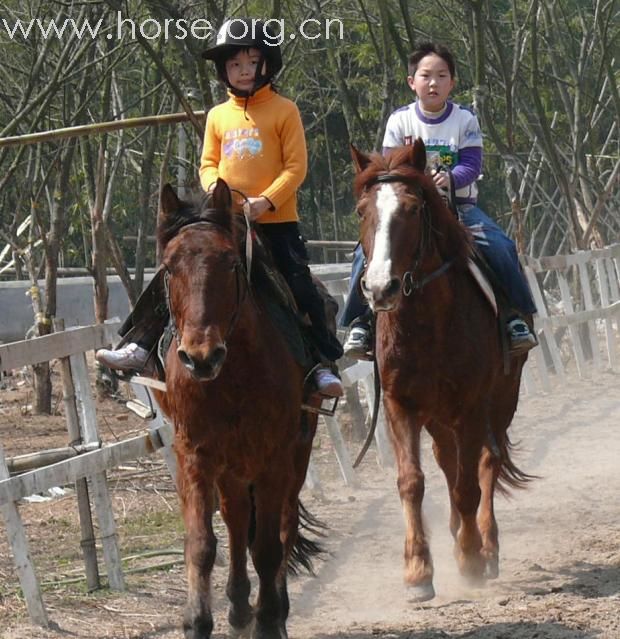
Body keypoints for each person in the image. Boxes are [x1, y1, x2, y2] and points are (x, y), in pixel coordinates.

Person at [97, 18, 344, 397]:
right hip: (224, 219)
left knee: (299, 285)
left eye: (250, 63)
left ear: (267, 65)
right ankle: (140, 345)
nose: (243, 72)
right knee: (180, 272)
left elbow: (296, 166)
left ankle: (320, 364)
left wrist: (267, 201)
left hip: (274, 220)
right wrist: (216, 191)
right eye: (234, 65)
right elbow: (208, 164)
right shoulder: (217, 115)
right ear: (223, 71)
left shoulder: (284, 110)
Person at [341, 41, 538, 359]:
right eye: (426, 75)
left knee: (501, 246)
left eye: (442, 75)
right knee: (363, 255)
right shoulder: (399, 121)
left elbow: (472, 164)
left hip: (459, 208)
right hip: (411, 210)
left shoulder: (464, 120)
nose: (433, 83)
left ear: (453, 82)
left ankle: (516, 316)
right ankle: (359, 322)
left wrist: (450, 178)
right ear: (412, 82)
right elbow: (392, 169)